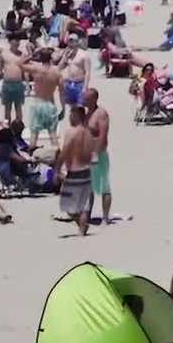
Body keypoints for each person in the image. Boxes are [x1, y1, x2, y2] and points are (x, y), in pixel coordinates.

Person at [55, 106, 96, 236]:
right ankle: (82, 228)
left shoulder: (72, 132)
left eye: (71, 115)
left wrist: (57, 169)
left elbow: (65, 151)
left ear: (77, 116)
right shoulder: (88, 132)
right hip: (87, 170)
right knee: (83, 204)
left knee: (68, 205)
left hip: (75, 171)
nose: (69, 118)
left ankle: (81, 225)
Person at [23, 48, 63, 149]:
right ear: (51, 58)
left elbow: (19, 64)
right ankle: (56, 156)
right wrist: (63, 108)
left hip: (37, 103)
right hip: (49, 104)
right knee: (52, 133)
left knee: (34, 134)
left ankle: (32, 157)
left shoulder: (36, 69)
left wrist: (32, 55)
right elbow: (62, 92)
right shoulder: (57, 72)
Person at [84, 89, 113, 226]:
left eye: (86, 98)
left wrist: (96, 154)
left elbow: (103, 135)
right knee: (88, 186)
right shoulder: (86, 113)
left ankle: (105, 217)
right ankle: (87, 214)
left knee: (103, 186)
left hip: (98, 155)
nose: (84, 100)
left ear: (94, 99)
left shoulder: (101, 114)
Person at [58, 34, 91, 107]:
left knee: (80, 107)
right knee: (71, 107)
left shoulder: (84, 55)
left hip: (79, 84)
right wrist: (64, 57)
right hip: (69, 83)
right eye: (69, 41)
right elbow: (59, 68)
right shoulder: (68, 55)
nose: (71, 43)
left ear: (77, 42)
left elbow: (87, 72)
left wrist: (85, 87)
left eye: (73, 41)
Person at [0, 41, 28, 124]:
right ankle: (7, 127)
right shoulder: (4, 54)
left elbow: (25, 71)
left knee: (18, 107)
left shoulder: (23, 55)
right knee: (7, 108)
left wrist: (27, 84)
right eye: (14, 41)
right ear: (10, 42)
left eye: (17, 41)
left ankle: (19, 127)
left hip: (18, 83)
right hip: (7, 83)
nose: (16, 43)